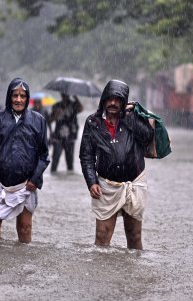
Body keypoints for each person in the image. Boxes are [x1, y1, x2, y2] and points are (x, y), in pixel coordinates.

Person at [0, 78, 50, 243]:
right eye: (15, 95)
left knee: (24, 227)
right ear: (9, 97)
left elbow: (44, 155)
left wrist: (35, 179)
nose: (18, 99)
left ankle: (22, 266)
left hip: (27, 183)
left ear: (27, 99)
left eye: (22, 96)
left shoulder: (38, 121)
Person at [79, 80, 155, 250]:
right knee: (102, 238)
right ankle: (100, 275)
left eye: (118, 99)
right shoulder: (93, 123)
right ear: (104, 100)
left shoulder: (132, 118)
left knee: (134, 237)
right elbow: (86, 156)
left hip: (134, 183)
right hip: (106, 185)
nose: (113, 103)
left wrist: (130, 118)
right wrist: (92, 182)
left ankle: (133, 275)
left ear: (124, 101)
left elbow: (148, 137)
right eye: (109, 99)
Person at [48, 93, 83, 172]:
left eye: (66, 94)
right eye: (64, 94)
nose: (65, 96)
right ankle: (54, 177)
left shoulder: (74, 104)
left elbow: (81, 109)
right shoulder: (56, 105)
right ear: (61, 95)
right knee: (55, 160)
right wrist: (56, 115)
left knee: (70, 162)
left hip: (70, 136)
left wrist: (76, 98)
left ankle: (69, 181)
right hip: (58, 137)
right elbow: (49, 120)